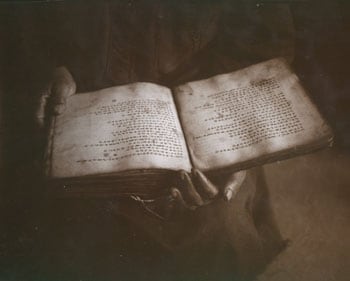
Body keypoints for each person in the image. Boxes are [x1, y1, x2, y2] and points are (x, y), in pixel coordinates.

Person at [6, 1, 295, 280]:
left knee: (216, 230)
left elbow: (264, 43)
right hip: (77, 110)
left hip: (201, 115)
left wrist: (239, 143)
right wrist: (44, 69)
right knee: (58, 229)